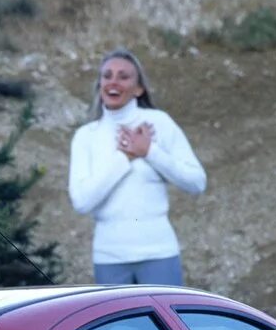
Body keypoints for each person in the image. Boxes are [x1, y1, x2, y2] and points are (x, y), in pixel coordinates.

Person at [68, 48, 207, 285]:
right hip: (109, 258)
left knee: (165, 323)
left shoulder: (159, 123)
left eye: (124, 77)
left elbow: (197, 183)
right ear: (100, 84)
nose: (114, 82)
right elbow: (81, 202)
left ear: (139, 88)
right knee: (117, 325)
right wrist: (125, 157)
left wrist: (150, 151)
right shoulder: (85, 136)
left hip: (159, 253)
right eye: (107, 75)